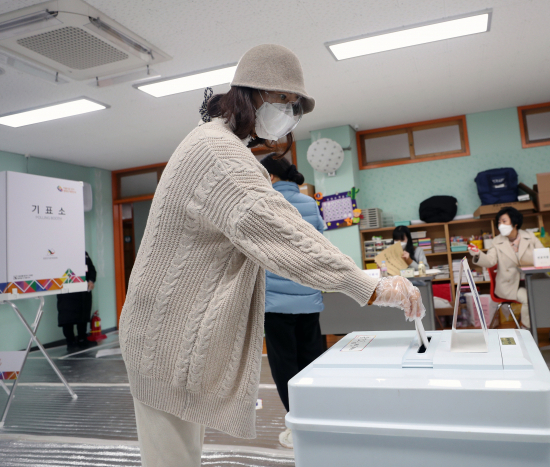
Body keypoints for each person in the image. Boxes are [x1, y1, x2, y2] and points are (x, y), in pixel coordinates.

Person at [119, 44, 424, 467]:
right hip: (165, 337)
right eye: (285, 101)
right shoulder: (219, 153)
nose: (289, 114)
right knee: (172, 460)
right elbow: (286, 235)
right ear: (254, 94)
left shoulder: (219, 144)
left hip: (169, 331)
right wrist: (369, 285)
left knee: (181, 454)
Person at [259, 153, 325, 449]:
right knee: (311, 361)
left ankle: (297, 423)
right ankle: (317, 418)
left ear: (270, 177)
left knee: (284, 365)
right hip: (308, 299)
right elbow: (322, 245)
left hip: (276, 303)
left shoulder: (263, 204)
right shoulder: (309, 203)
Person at [468, 207, 550, 343]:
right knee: (529, 299)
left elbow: (544, 254)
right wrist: (478, 254)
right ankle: (526, 334)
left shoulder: (530, 237)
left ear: (515, 222)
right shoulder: (497, 241)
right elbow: (490, 261)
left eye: (504, 221)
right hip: (510, 284)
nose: (501, 225)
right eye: (499, 222)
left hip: (533, 280)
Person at [57, 251, 96, 351]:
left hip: (83, 291)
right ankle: (70, 342)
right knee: (67, 317)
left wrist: (91, 280)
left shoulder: (84, 253)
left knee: (83, 316)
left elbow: (91, 269)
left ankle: (82, 339)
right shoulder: (60, 253)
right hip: (67, 291)